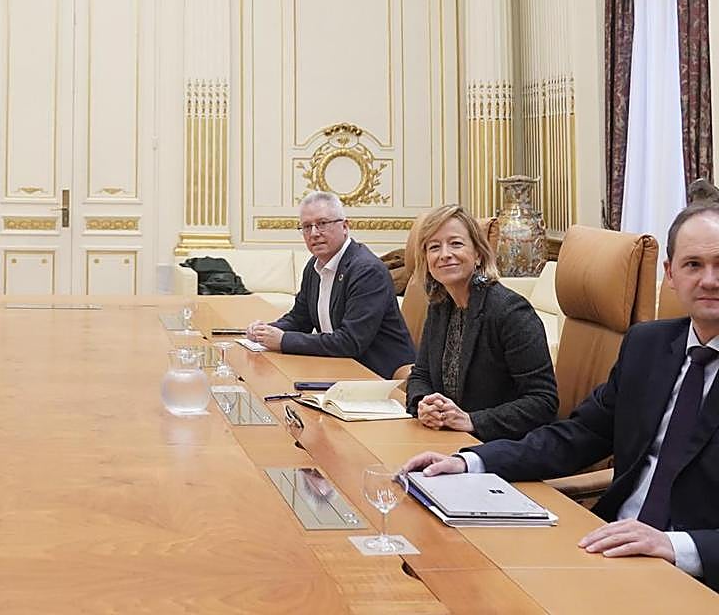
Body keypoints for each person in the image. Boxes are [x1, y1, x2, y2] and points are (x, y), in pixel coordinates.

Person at [404, 202, 719, 592]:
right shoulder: (648, 346)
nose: (709, 280)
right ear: (670, 274)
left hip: (696, 574)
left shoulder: (506, 310)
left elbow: (541, 403)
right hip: (604, 544)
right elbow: (577, 436)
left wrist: (676, 545)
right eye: (693, 265)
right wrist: (471, 461)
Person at [405, 204, 557, 441]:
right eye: (434, 247)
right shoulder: (440, 304)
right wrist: (423, 403)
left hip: (500, 447)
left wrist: (471, 420)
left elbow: (542, 402)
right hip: (447, 439)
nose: (444, 254)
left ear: (478, 254)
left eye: (456, 243)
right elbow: (421, 374)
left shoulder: (511, 312)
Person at [245, 191, 415, 379]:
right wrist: (265, 332)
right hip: (339, 366)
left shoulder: (366, 270)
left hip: (377, 376)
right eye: (307, 227)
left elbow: (350, 342)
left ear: (344, 226)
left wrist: (283, 340)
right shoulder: (314, 265)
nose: (314, 233)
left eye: (322, 224)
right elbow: (299, 319)